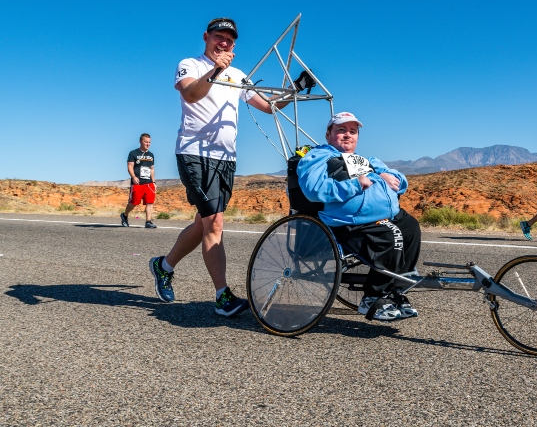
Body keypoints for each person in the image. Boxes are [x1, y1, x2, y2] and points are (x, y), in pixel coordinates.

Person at [149, 17, 287, 317]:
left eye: (229, 40)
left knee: (203, 222)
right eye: (219, 37)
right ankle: (223, 296)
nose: (224, 43)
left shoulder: (238, 75)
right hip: (194, 154)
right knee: (214, 223)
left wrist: (293, 91)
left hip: (225, 158)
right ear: (206, 37)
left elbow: (269, 106)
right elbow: (191, 93)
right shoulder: (191, 65)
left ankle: (164, 265)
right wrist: (217, 69)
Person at [297, 112, 421, 321]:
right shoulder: (318, 157)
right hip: (349, 222)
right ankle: (373, 298)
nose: (348, 135)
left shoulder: (361, 160)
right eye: (341, 130)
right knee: (391, 236)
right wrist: (354, 184)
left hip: (383, 215)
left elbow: (400, 180)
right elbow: (313, 189)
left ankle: (397, 289)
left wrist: (383, 175)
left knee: (411, 227)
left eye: (352, 132)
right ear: (328, 135)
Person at [121, 133, 156, 228]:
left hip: (148, 183)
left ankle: (148, 221)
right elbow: (130, 166)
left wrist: (153, 182)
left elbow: (152, 169)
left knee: (150, 202)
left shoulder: (151, 155)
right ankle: (124, 215)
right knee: (134, 203)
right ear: (140, 141)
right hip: (137, 183)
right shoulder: (133, 153)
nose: (148, 144)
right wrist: (133, 176)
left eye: (149, 142)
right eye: (146, 142)